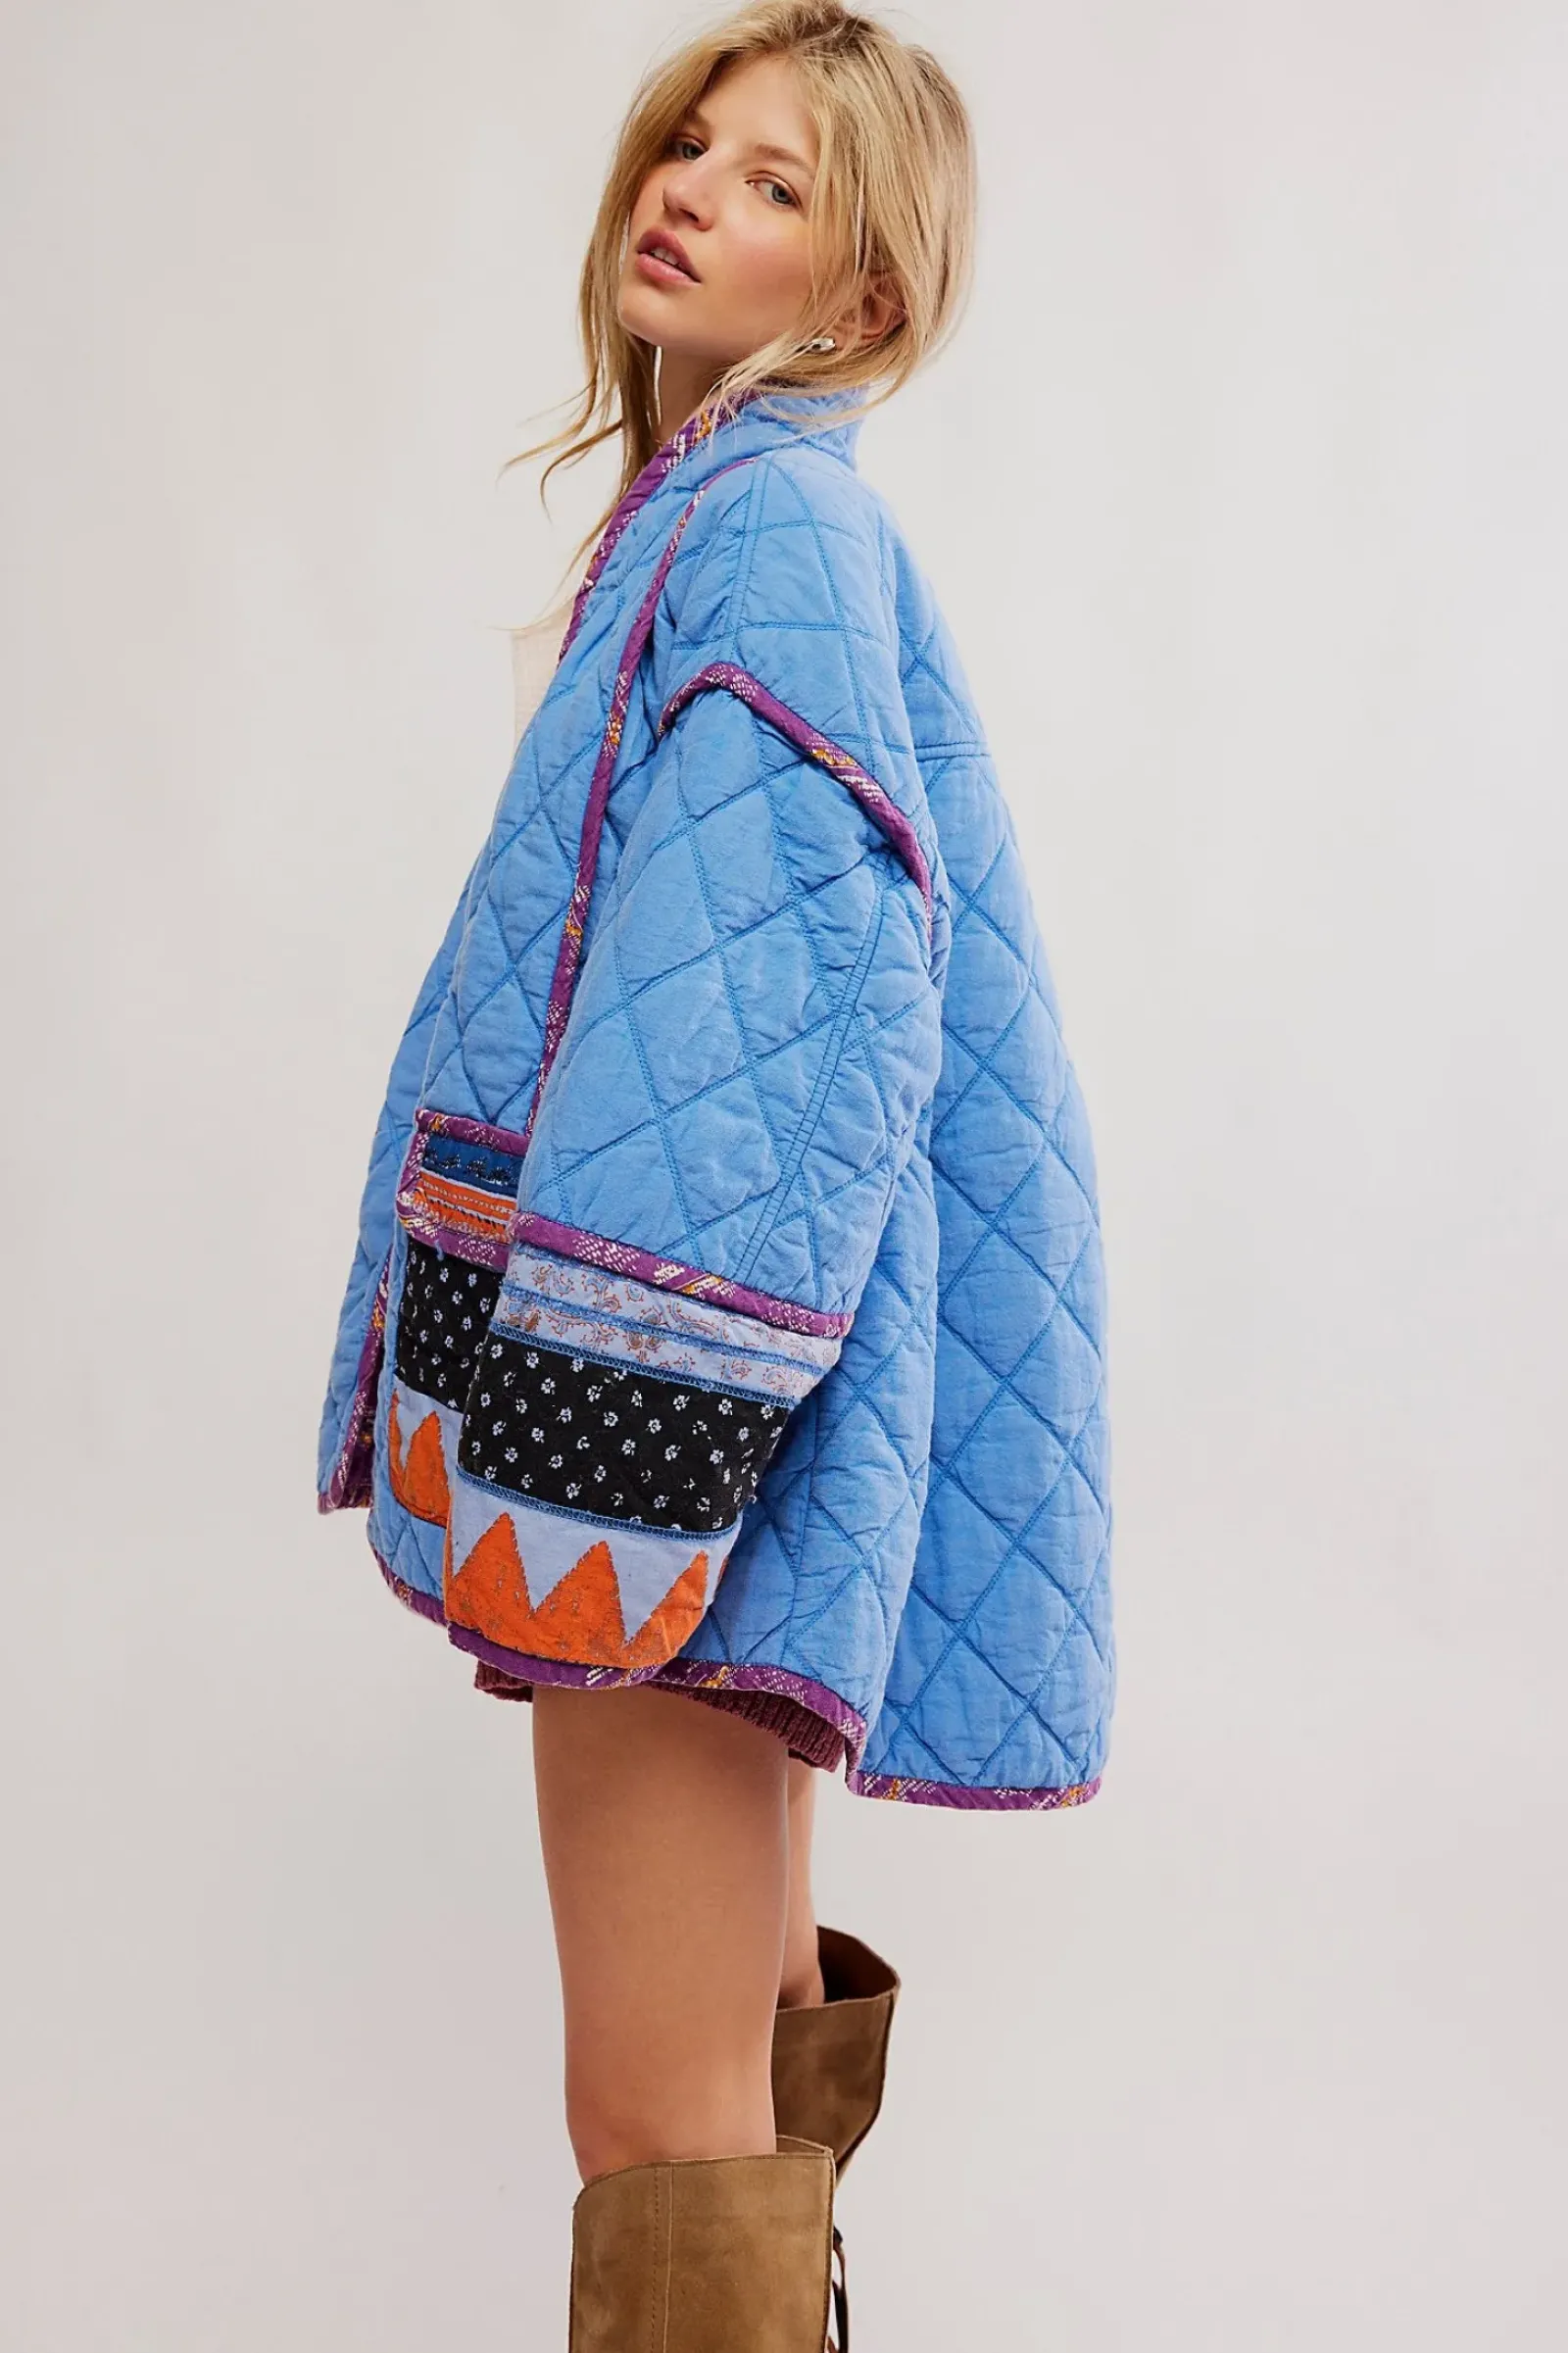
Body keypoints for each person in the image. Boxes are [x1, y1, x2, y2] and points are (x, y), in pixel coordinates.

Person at [317, 5, 1114, 2343]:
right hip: (736, 1424)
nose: (690, 190)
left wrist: (603, 1459)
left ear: (863, 293)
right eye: (693, 142)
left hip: (658, 1430)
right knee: (734, 2082)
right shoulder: (737, 525)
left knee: (657, 2132)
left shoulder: (762, 537)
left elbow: (769, 1040)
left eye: (777, 184)